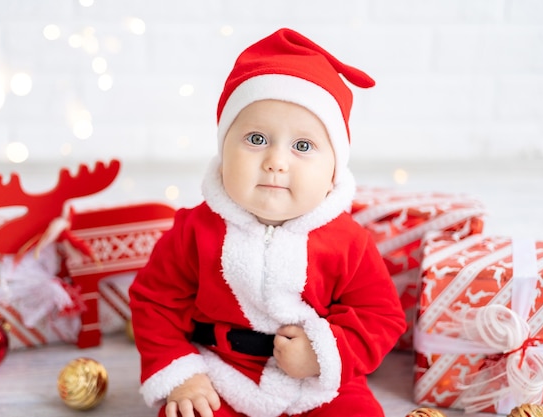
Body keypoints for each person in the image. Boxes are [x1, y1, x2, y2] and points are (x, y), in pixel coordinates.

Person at [129, 27, 406, 417]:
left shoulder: (349, 241)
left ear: (333, 173)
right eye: (256, 139)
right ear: (223, 153)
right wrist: (181, 373)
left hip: (316, 384)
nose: (276, 160)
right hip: (221, 375)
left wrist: (325, 352)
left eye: (303, 146)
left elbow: (380, 316)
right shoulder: (194, 230)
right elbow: (154, 301)